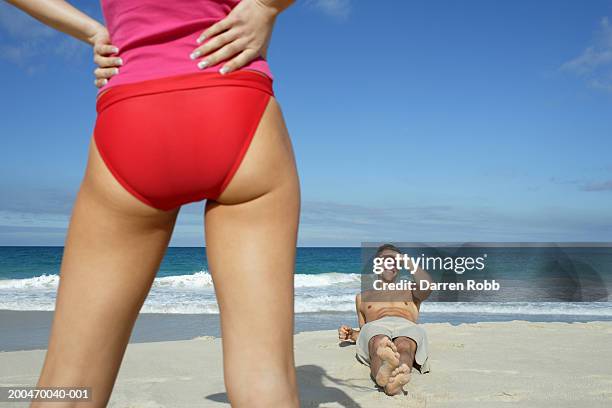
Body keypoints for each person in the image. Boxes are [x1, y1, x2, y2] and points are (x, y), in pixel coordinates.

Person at [6, 1, 299, 407]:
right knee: (264, 377)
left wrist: (93, 32)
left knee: (68, 383)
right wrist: (266, 6)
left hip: (132, 110)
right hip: (233, 95)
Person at [338, 244, 433, 396]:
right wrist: (351, 334)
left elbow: (427, 285)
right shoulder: (362, 298)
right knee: (378, 343)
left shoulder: (411, 290)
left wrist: (406, 260)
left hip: (406, 325)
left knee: (404, 344)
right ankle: (388, 380)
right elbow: (364, 333)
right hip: (376, 326)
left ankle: (392, 380)